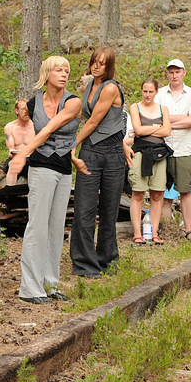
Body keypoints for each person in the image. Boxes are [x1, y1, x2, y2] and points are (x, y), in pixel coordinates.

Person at [7, 56, 88, 303]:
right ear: (47, 73)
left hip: (63, 169)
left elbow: (50, 128)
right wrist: (19, 152)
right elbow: (26, 130)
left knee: (55, 228)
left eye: (67, 70)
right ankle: (30, 288)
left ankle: (50, 284)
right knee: (37, 226)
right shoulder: (33, 103)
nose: (64, 74)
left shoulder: (73, 102)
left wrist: (24, 153)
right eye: (58, 70)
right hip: (41, 167)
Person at [69, 46, 128, 278]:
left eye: (102, 63)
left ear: (109, 66)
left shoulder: (110, 87)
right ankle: (84, 264)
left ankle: (107, 260)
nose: (96, 66)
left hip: (112, 154)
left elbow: (93, 122)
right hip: (91, 151)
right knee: (84, 208)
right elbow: (86, 119)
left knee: (109, 209)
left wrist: (72, 144)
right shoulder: (88, 87)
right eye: (94, 61)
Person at [154, 58, 191, 239]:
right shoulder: (159, 94)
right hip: (163, 147)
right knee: (160, 190)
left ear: (184, 72)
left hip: (184, 149)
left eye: (177, 71)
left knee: (185, 190)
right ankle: (160, 228)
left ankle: (188, 229)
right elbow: (156, 118)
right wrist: (180, 119)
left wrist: (167, 121)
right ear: (167, 73)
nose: (174, 75)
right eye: (171, 72)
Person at [128, 78, 172, 244]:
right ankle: (137, 233)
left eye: (151, 91)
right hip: (140, 153)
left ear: (156, 92)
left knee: (157, 193)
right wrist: (157, 127)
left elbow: (167, 131)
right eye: (145, 91)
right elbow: (137, 129)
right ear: (141, 91)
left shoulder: (163, 109)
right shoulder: (135, 107)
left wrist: (147, 130)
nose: (147, 94)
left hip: (160, 154)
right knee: (138, 192)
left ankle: (154, 233)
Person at [2, 99, 35, 181]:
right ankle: (10, 192)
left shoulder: (36, 126)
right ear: (17, 111)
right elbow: (11, 151)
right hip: (15, 158)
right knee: (14, 165)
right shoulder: (10, 127)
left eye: (28, 109)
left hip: (32, 159)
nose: (26, 112)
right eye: (23, 109)